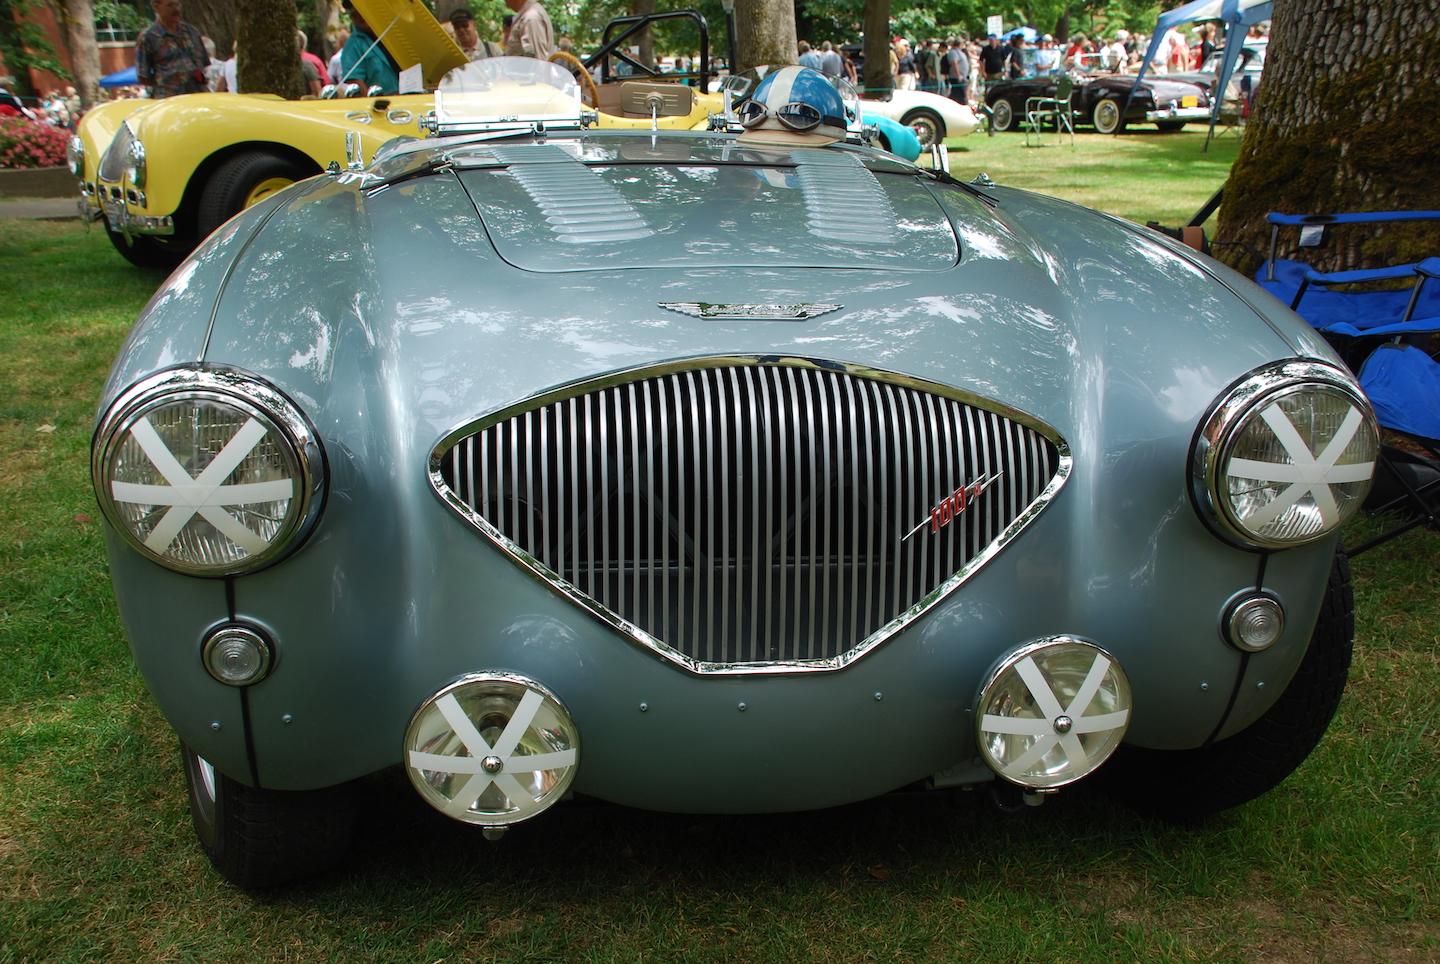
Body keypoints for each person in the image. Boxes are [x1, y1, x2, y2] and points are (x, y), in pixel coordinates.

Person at [135, 0, 208, 99]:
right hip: (170, 100)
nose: (176, 9)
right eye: (170, 5)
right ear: (156, 7)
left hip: (198, 97)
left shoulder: (192, 32)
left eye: (177, 4)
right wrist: (166, 82)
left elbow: (203, 63)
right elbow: (143, 76)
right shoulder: (148, 37)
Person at [339, 0, 399, 93]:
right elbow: (354, 81)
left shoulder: (395, 32)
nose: (359, 17)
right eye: (354, 15)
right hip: (382, 102)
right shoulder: (353, 45)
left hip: (412, 96)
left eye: (361, 12)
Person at [944, 37, 969, 104]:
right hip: (956, 77)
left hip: (963, 77)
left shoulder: (960, 52)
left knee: (956, 94)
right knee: (960, 94)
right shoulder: (953, 52)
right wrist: (958, 75)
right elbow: (954, 63)